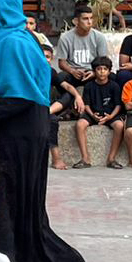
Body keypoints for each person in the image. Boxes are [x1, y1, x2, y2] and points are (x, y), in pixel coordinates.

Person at [0, 0, 87, 262]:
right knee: (24, 200)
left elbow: (15, 97)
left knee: (4, 200)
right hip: (30, 129)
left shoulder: (10, 43)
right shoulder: (27, 39)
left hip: (13, 133)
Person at [74, 56, 125, 169]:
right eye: (99, 69)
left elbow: (118, 105)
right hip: (93, 113)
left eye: (105, 69)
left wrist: (110, 116)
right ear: (94, 71)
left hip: (110, 114)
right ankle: (85, 158)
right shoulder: (89, 86)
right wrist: (92, 115)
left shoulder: (114, 86)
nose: (102, 72)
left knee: (120, 125)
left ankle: (111, 159)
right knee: (79, 124)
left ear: (109, 71)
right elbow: (86, 104)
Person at [44, 43, 82, 171]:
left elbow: (67, 87)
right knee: (52, 121)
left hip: (47, 107)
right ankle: (56, 158)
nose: (45, 60)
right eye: (41, 56)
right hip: (32, 106)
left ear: (52, 58)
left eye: (48, 57)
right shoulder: (29, 70)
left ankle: (48, 111)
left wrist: (78, 96)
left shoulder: (50, 71)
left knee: (69, 94)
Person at [57, 4, 109, 84]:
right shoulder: (65, 38)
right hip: (74, 72)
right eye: (85, 19)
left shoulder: (99, 37)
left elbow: (104, 61)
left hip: (93, 73)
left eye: (91, 18)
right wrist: (72, 71)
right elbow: (61, 63)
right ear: (76, 21)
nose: (89, 22)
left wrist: (94, 73)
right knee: (60, 77)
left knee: (111, 76)